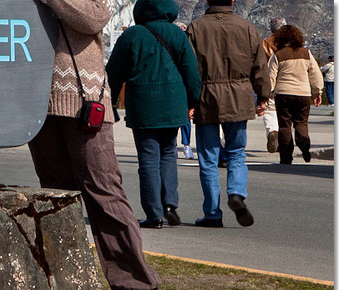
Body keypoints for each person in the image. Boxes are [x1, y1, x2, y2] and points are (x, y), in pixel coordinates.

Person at [29, 0, 161, 290]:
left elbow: (94, 17)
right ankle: (66, 289)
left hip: (84, 97)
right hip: (32, 99)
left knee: (104, 192)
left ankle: (135, 289)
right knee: (54, 198)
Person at [106, 0, 201, 228]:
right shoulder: (178, 34)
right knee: (168, 153)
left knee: (148, 157)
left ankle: (154, 214)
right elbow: (191, 72)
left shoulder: (131, 36)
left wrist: (110, 104)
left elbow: (113, 74)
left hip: (143, 104)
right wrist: (192, 101)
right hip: (173, 103)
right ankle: (170, 204)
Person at [186, 0, 270, 228]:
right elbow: (259, 66)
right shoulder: (246, 27)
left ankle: (212, 213)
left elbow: (189, 67)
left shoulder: (196, 28)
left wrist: (189, 100)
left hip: (207, 96)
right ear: (232, 1)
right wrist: (263, 96)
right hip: (239, 96)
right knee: (236, 152)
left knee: (208, 158)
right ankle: (236, 193)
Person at [268, 25, 323, 165]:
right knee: (301, 122)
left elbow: (270, 77)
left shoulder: (278, 55)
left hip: (283, 94)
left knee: (284, 126)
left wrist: (267, 94)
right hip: (303, 94)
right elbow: (315, 74)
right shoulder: (306, 53)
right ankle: (304, 142)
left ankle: (286, 157)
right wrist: (318, 92)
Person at [261, 17, 287, 153]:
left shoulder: (265, 43)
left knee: (270, 110)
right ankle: (284, 140)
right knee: (285, 113)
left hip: (270, 80)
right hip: (287, 81)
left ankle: (272, 131)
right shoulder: (292, 43)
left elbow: (260, 63)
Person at [175, 21, 195, 161]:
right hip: (174, 87)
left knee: (186, 118)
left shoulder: (188, 52)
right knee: (175, 119)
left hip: (184, 88)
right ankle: (175, 145)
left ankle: (186, 145)